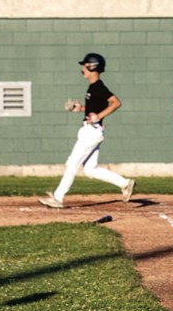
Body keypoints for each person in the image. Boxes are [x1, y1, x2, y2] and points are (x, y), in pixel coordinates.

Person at [39, 53, 136, 209]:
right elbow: (93, 110)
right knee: (91, 169)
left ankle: (58, 198)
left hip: (91, 132)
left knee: (72, 163)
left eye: (84, 66)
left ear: (92, 67)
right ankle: (124, 183)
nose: (82, 69)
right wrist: (80, 109)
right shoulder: (93, 87)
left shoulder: (98, 87)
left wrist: (99, 116)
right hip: (91, 130)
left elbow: (116, 103)